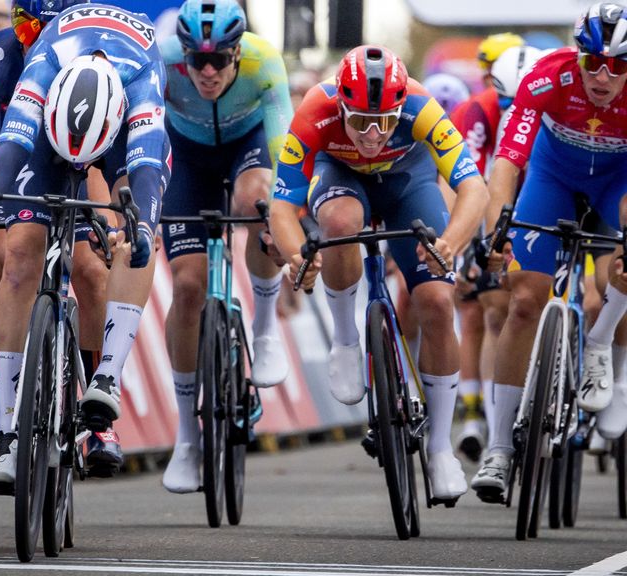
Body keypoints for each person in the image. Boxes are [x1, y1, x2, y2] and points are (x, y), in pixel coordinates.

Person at [0, 2, 169, 488]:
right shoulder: (34, 65)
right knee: (18, 252)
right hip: (48, 130)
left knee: (109, 251)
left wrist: (137, 229)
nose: (29, 31)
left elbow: (146, 172)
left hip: (112, 135)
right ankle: (4, 429)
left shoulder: (143, 80)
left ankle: (105, 378)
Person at [270, 45, 489, 502]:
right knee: (339, 224)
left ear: (400, 107)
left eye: (385, 122)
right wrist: (297, 257)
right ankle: (347, 340)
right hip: (343, 180)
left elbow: (474, 189)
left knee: (436, 301)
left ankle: (440, 447)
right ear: (341, 106)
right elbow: (282, 206)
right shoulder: (316, 107)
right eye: (360, 121)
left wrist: (451, 244)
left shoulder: (421, 106)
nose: (372, 134)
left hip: (410, 182)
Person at [471, 2, 627, 502]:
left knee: (615, 277)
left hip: (616, 184)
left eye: (619, 66)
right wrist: (499, 226)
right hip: (552, 178)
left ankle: (601, 347)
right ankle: (497, 449)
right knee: (523, 301)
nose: (603, 76)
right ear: (576, 56)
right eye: (593, 62)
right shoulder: (548, 76)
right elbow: (508, 160)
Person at [158, 0, 293, 493]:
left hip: (248, 147)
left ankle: (263, 327)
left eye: (220, 60)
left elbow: (285, 149)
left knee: (259, 200)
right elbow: (143, 132)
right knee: (188, 287)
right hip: (186, 157)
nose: (208, 71)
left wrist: (283, 215)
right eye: (198, 60)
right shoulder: (162, 58)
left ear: (238, 52)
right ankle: (185, 434)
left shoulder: (263, 60)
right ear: (185, 54)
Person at [447, 43, 542, 463]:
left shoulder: (553, 103)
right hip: (496, 195)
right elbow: (472, 184)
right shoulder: (479, 111)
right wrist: (473, 246)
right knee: (495, 310)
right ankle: (487, 412)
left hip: (544, 191)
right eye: (505, 101)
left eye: (517, 103)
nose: (510, 112)